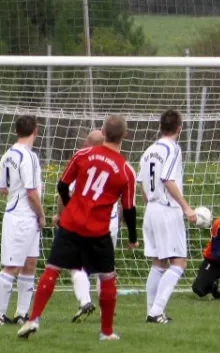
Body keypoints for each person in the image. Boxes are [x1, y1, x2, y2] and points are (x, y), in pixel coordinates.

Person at [17, 115, 138, 341]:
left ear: (103, 131)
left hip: (71, 223)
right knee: (107, 278)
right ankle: (106, 332)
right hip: (98, 230)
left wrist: (70, 204)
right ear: (125, 135)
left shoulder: (82, 154)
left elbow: (62, 184)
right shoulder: (126, 171)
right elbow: (129, 209)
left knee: (52, 268)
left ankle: (33, 319)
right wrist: (132, 236)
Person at [51, 130, 121, 323]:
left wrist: (60, 214)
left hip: (85, 223)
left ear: (86, 143)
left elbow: (64, 191)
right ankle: (107, 308)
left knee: (77, 265)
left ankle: (85, 301)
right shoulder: (115, 163)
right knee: (105, 268)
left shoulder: (83, 161)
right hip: (110, 222)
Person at [137, 109, 197, 324]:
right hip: (167, 209)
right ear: (179, 129)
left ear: (160, 128)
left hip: (151, 209)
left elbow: (140, 183)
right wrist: (186, 208)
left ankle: (152, 312)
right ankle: (156, 311)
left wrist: (149, 203)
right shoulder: (173, 148)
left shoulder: (149, 150)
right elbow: (167, 179)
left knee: (159, 263)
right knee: (179, 262)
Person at [0, 115, 45, 325]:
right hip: (22, 216)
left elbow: (2, 188)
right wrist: (41, 214)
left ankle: (21, 313)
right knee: (12, 266)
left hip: (21, 214)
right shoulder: (28, 157)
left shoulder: (8, 155)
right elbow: (31, 192)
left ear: (16, 131)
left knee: (30, 263)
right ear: (35, 131)